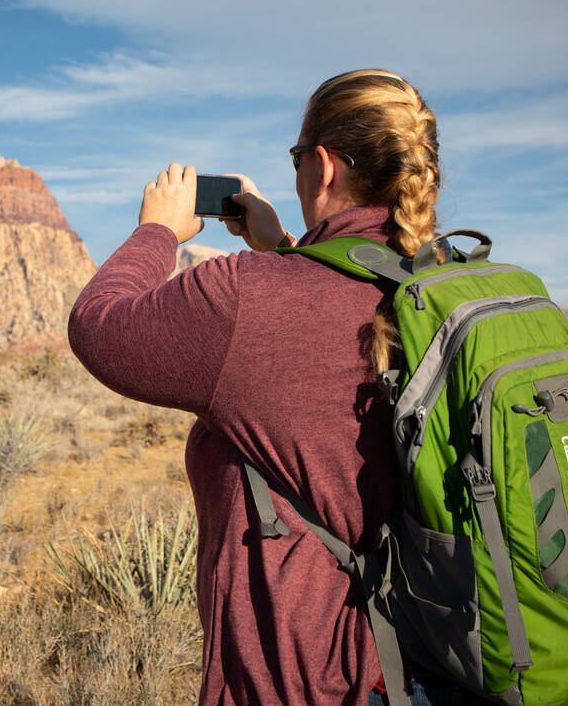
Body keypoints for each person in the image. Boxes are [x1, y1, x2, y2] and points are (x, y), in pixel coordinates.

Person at [68, 70, 486, 705]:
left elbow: (99, 329)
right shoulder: (445, 282)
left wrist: (157, 230)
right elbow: (325, 334)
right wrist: (284, 248)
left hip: (312, 675)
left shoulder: (249, 296)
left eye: (297, 158)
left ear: (321, 166)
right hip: (444, 651)